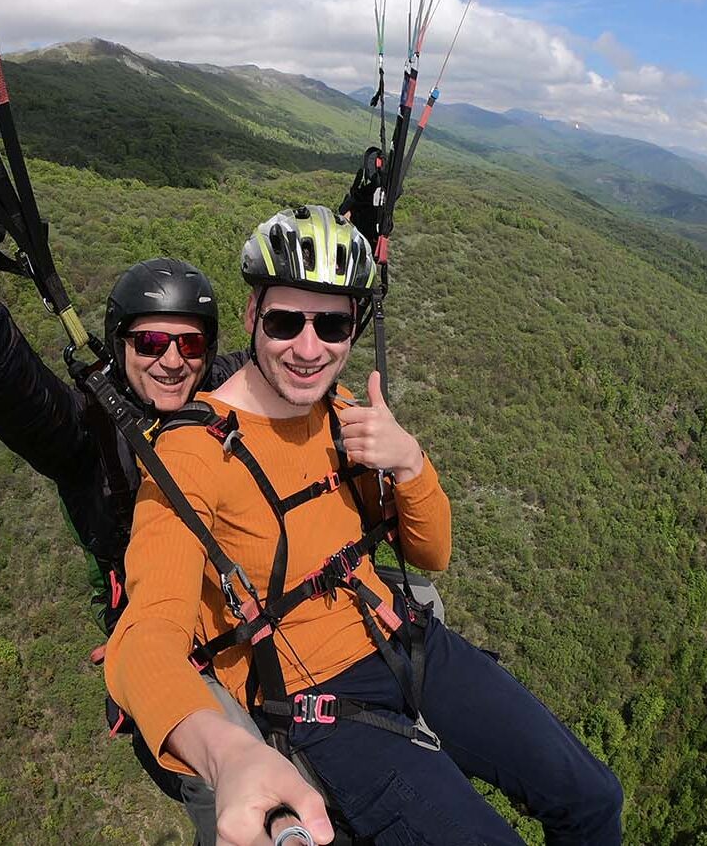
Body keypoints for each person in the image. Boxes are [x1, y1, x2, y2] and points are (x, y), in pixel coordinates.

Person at [105, 205, 624, 846]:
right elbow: (143, 639)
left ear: (354, 329)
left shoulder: (347, 416)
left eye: (332, 324)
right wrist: (228, 755)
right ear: (250, 319)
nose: (308, 347)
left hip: (405, 640)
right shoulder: (191, 452)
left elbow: (432, 554)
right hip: (312, 696)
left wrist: (410, 463)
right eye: (285, 321)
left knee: (595, 799)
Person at [0, 185, 244, 840]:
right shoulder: (92, 435)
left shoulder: (222, 397)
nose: (171, 360)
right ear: (119, 346)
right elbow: (20, 392)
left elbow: (295, 353)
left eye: (190, 344)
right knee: (234, 778)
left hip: (252, 627)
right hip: (172, 667)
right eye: (151, 341)